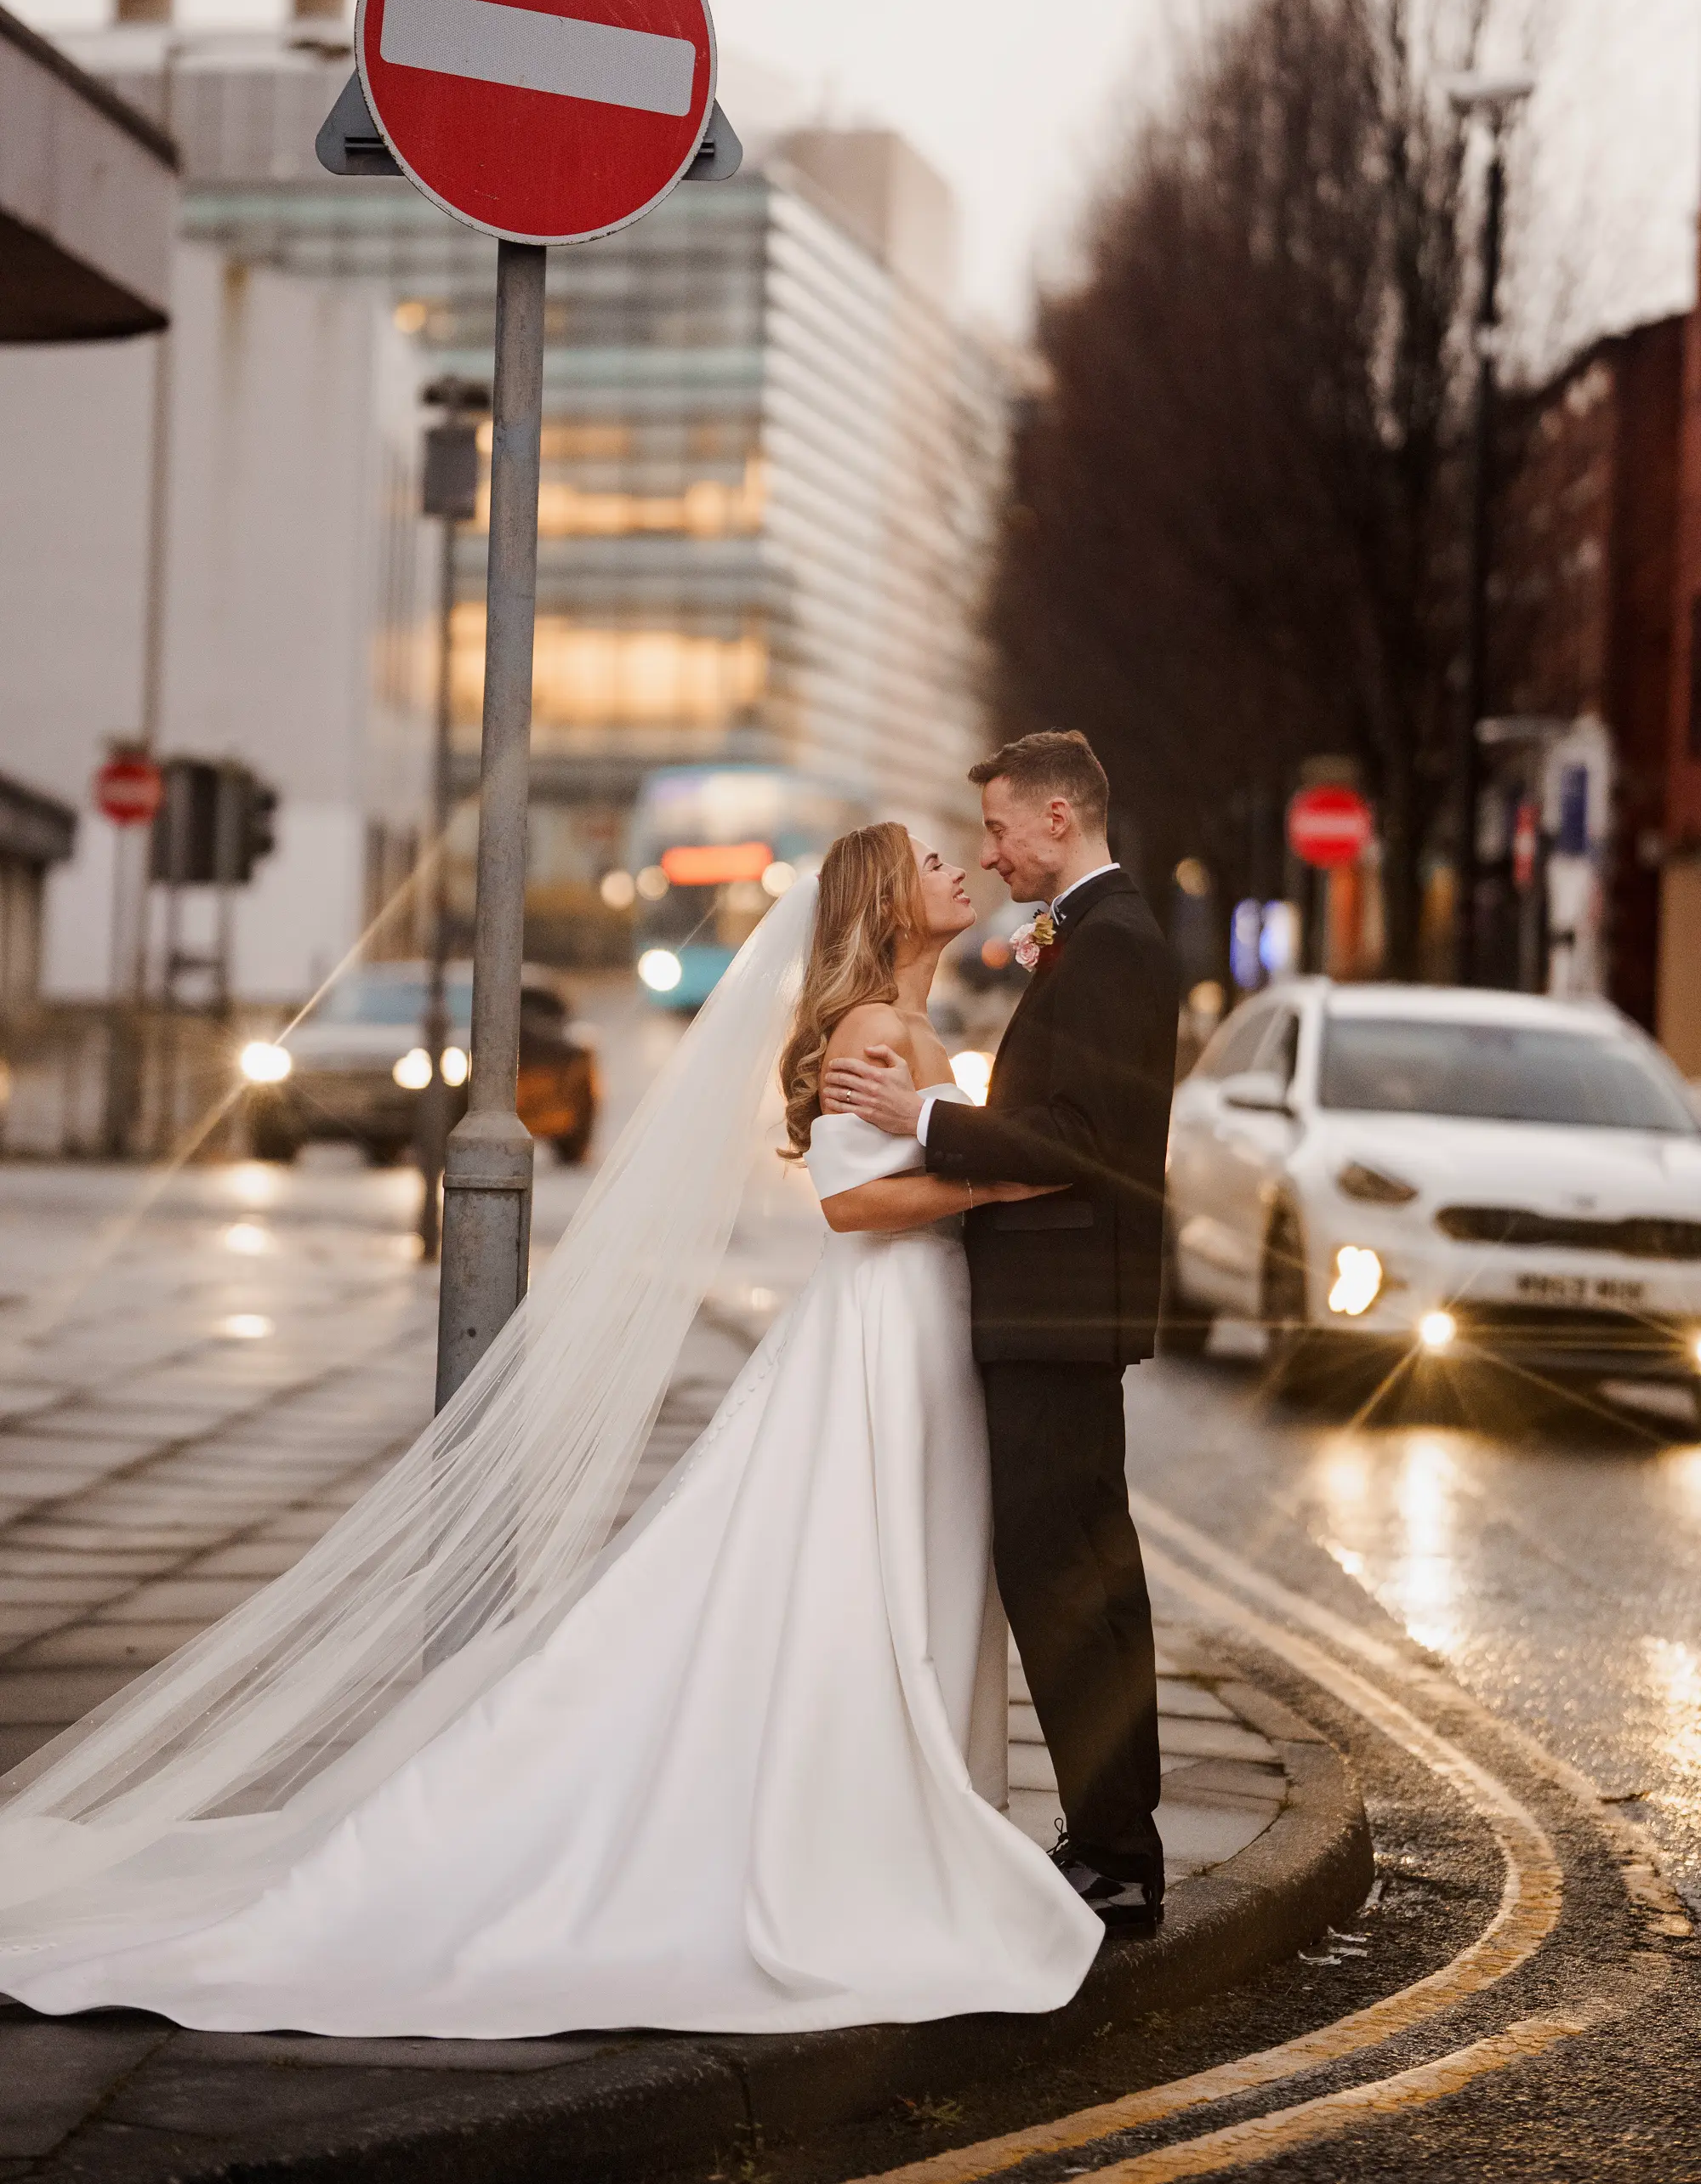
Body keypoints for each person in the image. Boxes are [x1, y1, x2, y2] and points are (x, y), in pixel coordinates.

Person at [0, 826, 1100, 2039]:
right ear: (885, 905)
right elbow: (850, 1204)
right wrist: (1000, 1178)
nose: (957, 868)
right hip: (882, 1331)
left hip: (926, 1326)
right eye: (930, 862)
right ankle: (856, 1827)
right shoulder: (870, 1033)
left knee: (905, 1563)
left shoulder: (914, 1025)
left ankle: (889, 1812)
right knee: (858, 1568)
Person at [823, 732, 1179, 1926]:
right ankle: (1118, 1841)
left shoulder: (1112, 943)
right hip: (1056, 1307)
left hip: (1056, 1309)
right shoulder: (1092, 935)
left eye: (998, 828)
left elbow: (1078, 1141)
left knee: (1062, 1576)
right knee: (1089, 1571)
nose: (989, 854)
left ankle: (1114, 1855)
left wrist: (926, 1119)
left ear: (1058, 818)